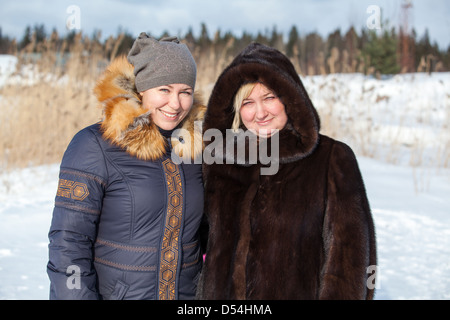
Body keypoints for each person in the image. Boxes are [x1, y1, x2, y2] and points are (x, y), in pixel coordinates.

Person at [197, 43, 377, 300]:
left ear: (290, 98)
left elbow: (350, 260)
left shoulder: (331, 158)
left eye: (269, 98)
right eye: (248, 102)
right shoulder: (218, 161)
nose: (260, 113)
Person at [47, 32, 206, 300]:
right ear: (141, 90)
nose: (176, 103)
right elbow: (69, 244)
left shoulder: (198, 150)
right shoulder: (94, 145)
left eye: (185, 92)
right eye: (164, 90)